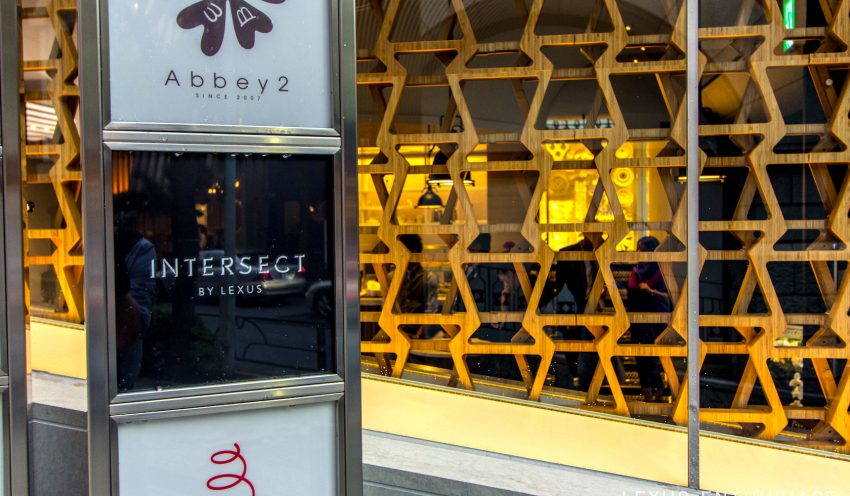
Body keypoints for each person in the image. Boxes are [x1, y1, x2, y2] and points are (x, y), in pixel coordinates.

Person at [114, 210, 156, 392]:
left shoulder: (139, 248)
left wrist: (119, 289)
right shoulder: (137, 248)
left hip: (121, 357)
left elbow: (137, 323)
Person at [626, 236, 671, 402]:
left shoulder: (661, 271)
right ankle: (647, 395)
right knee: (641, 359)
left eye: (643, 249)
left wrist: (650, 291)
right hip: (638, 321)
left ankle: (658, 394)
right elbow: (632, 292)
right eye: (638, 249)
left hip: (656, 320)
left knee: (654, 359)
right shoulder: (636, 271)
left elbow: (670, 296)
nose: (639, 253)